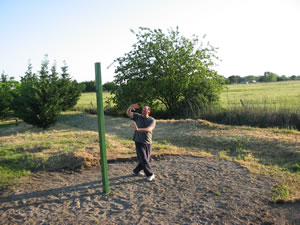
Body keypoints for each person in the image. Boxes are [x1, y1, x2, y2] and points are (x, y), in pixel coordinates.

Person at [126, 103, 156, 181]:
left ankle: (136, 171)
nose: (143, 111)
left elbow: (149, 129)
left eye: (145, 110)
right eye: (142, 110)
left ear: (148, 112)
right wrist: (130, 107)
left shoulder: (152, 120)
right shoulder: (137, 116)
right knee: (143, 158)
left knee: (146, 159)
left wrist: (138, 129)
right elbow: (128, 113)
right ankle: (150, 174)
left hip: (148, 142)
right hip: (138, 141)